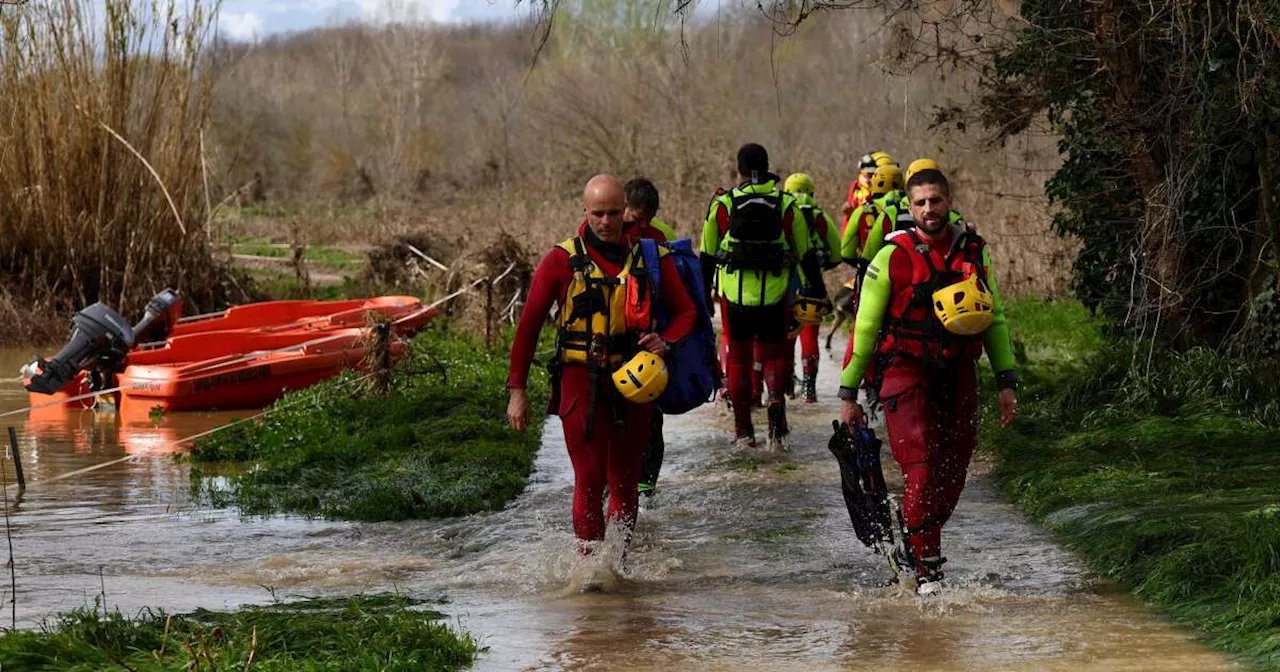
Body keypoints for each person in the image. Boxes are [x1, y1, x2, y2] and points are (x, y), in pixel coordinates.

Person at [837, 168, 1018, 595]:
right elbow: (864, 330)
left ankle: (915, 536)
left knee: (953, 472)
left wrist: (1006, 380)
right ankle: (928, 574)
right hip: (905, 372)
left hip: (958, 372)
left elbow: (996, 319)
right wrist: (848, 393)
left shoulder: (974, 251)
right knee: (920, 468)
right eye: (919, 202)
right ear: (909, 206)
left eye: (935, 200)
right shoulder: (891, 255)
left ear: (948, 201)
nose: (928, 209)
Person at [507, 174, 698, 557]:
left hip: (635, 382)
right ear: (585, 211)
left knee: (626, 481)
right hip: (580, 380)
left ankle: (618, 564)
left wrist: (668, 341)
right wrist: (517, 391)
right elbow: (527, 327)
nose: (607, 222)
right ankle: (591, 568)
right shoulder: (560, 260)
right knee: (590, 478)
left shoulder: (650, 255)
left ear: (625, 211)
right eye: (598, 214)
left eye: (614, 213)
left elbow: (687, 311)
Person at [701, 143, 827, 450]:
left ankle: (744, 431)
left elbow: (706, 254)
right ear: (768, 166)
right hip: (775, 294)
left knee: (740, 360)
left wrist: (705, 295)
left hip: (735, 296)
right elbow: (805, 252)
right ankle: (775, 408)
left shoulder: (724, 204)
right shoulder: (786, 204)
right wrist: (816, 289)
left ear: (739, 170)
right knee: (776, 355)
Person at [623, 177, 674, 497]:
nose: (642, 226)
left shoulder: (660, 238)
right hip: (612, 340)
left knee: (650, 417)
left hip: (647, 340)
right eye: (636, 219)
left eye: (647, 219)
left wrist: (669, 340)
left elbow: (678, 297)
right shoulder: (602, 232)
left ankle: (645, 488)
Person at [784, 172, 841, 403]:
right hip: (812, 286)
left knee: (785, 338)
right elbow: (837, 253)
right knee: (810, 338)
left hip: (783, 288)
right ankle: (809, 390)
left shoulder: (782, 211)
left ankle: (785, 385)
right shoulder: (819, 216)